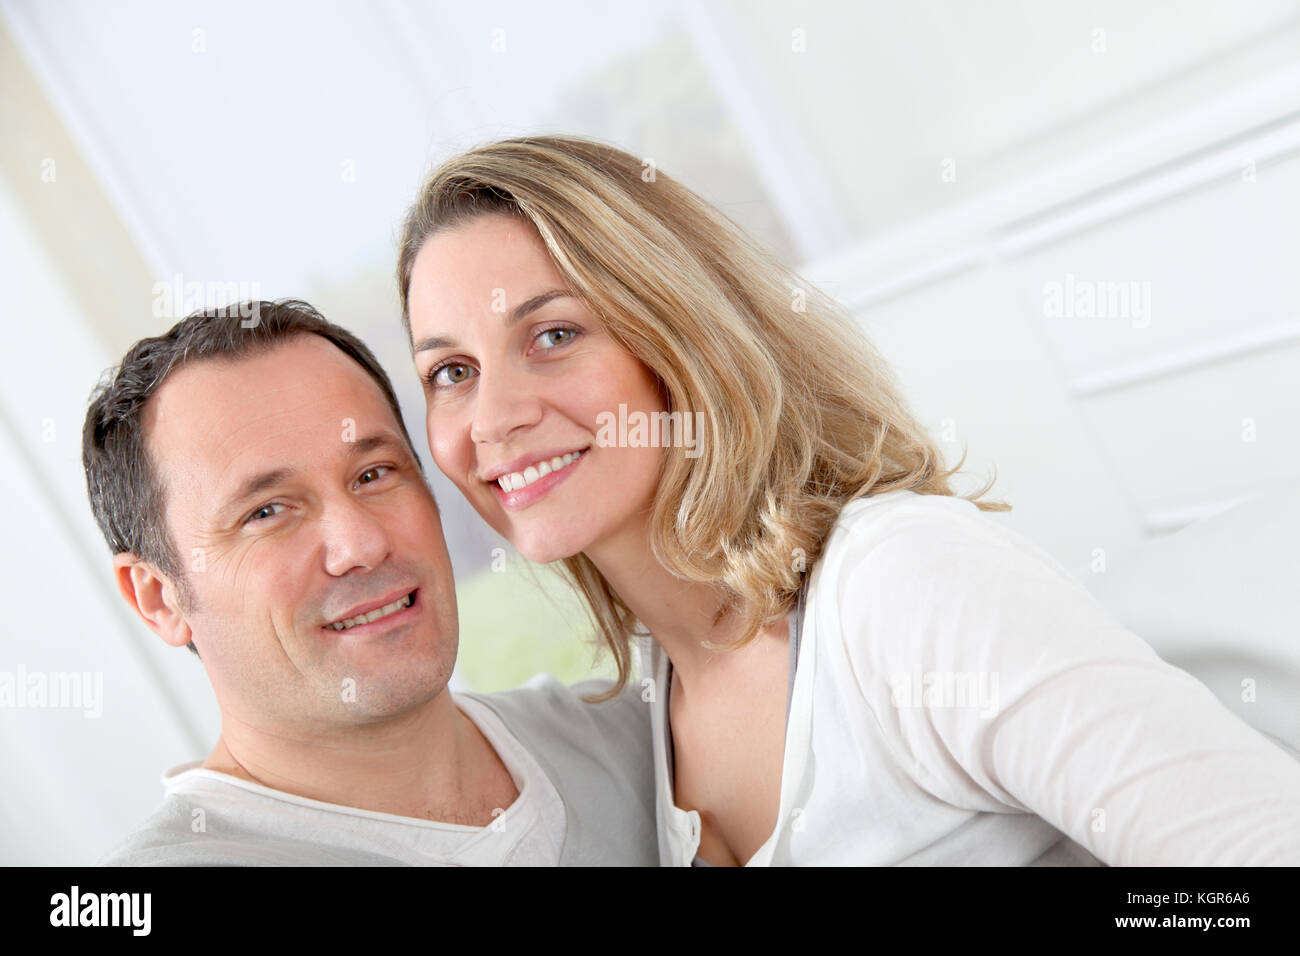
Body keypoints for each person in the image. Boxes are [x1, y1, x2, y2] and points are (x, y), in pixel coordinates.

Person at [395, 134, 1300, 866]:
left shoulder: (897, 586)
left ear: (681, 340)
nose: (495, 417)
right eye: (451, 372)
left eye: (553, 334)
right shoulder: (648, 725)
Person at [82, 299, 656, 866]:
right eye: (267, 511)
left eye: (373, 474)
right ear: (159, 598)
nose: (360, 544)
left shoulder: (637, 743)